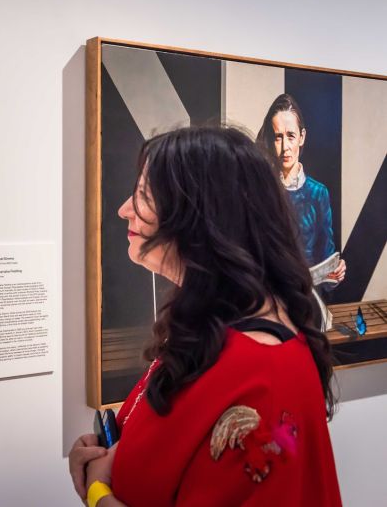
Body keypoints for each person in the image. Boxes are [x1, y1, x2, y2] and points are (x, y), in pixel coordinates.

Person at [69, 126, 342, 506]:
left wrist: (99, 492)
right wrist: (115, 450)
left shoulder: (263, 377)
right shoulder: (213, 330)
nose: (124, 209)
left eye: (144, 196)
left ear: (200, 219)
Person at [256, 93, 346, 286]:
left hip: (308, 301)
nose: (285, 147)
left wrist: (335, 272)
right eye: (278, 137)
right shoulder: (263, 190)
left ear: (302, 137)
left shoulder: (318, 193)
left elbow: (326, 258)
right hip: (271, 299)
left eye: (291, 136)